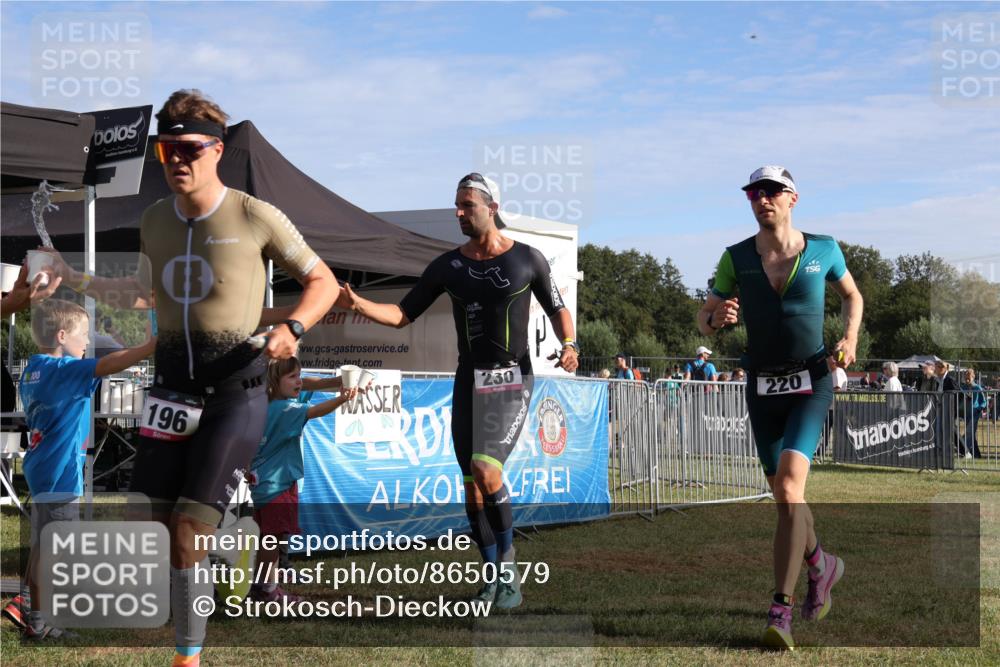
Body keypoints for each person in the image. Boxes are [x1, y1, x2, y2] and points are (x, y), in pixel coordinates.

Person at [38, 90, 336, 667]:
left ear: (216, 150)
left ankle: (188, 658)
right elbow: (144, 293)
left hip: (236, 393)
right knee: (149, 532)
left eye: (188, 149)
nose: (175, 159)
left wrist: (293, 326)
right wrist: (75, 277)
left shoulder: (254, 214)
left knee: (184, 531)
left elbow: (322, 280)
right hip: (170, 392)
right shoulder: (154, 220)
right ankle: (226, 534)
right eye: (164, 149)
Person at [335, 172, 578, 610]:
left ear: (493, 208)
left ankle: (509, 573)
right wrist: (358, 303)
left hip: (511, 377)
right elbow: (403, 314)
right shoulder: (447, 266)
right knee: (470, 486)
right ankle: (490, 579)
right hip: (468, 378)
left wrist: (571, 345)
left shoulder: (528, 258)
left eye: (467, 205)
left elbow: (559, 309)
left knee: (487, 470)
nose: (459, 212)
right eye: (457, 205)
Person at [697, 165, 863, 650]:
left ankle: (780, 610)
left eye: (771, 191)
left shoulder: (824, 248)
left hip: (811, 381)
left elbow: (853, 296)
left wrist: (850, 337)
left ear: (793, 198)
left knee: (791, 488)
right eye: (754, 192)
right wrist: (716, 317)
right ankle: (822, 565)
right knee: (784, 498)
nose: (761, 198)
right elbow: (705, 318)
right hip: (762, 385)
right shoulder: (736, 258)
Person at [4, 299, 154, 639]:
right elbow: (113, 362)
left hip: (41, 467)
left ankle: (25, 603)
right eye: (83, 335)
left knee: (44, 542)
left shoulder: (34, 368)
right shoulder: (65, 370)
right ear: (60, 335)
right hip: (60, 472)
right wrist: (151, 345)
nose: (88, 342)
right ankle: (40, 623)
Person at [247, 358, 358, 602]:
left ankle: (265, 586)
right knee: (272, 540)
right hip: (278, 485)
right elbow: (315, 411)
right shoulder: (286, 409)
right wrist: (343, 397)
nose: (299, 381)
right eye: (292, 377)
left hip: (264, 484)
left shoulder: (267, 405)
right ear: (275, 381)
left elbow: (307, 386)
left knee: (270, 539)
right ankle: (266, 589)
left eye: (299, 375)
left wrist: (337, 381)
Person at [959, 368, 985, 459]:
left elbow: (983, 402)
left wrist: (978, 409)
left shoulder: (978, 388)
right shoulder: (963, 388)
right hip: (966, 414)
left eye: (969, 376)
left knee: (969, 432)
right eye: (965, 377)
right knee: (971, 435)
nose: (967, 378)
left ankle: (963, 449)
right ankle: (977, 455)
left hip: (975, 414)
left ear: (973, 377)